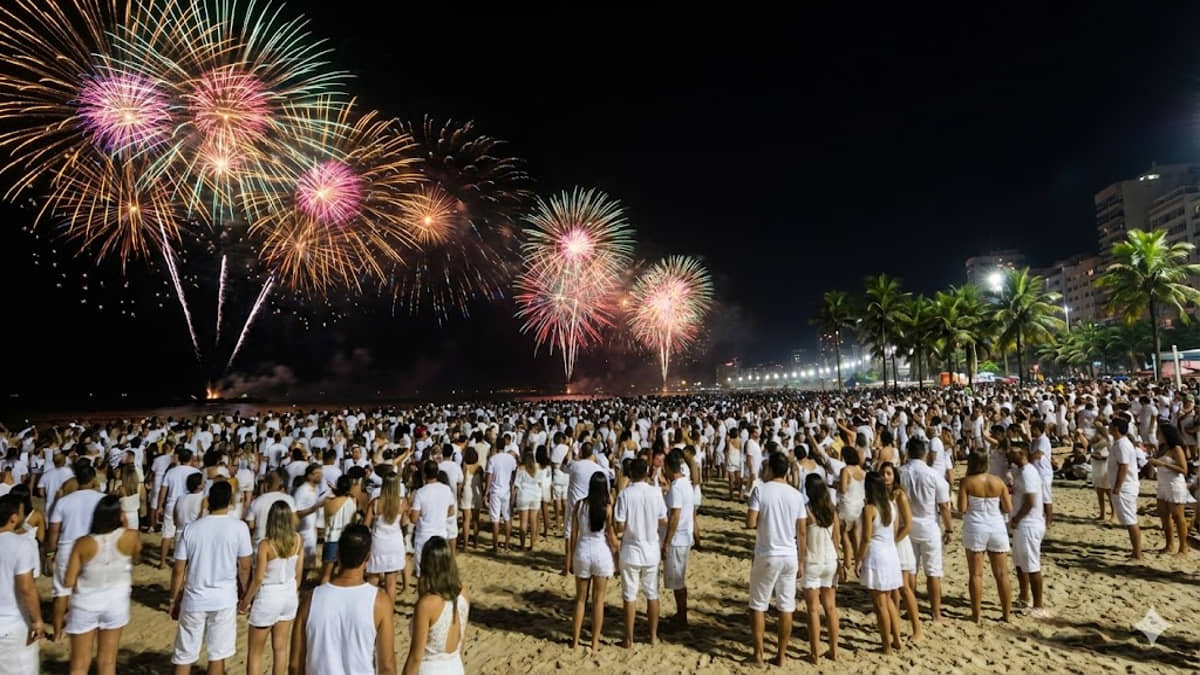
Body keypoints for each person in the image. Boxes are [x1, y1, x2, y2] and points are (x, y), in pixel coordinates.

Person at [169, 481, 252, 675]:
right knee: (217, 656)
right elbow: (245, 567)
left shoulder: (191, 529)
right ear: (230, 501)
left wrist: (174, 599)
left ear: (208, 501)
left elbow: (179, 570)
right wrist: (246, 594)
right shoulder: (239, 528)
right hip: (224, 599)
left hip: (194, 597)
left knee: (184, 655)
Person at [291, 524, 396, 675]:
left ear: (338, 554)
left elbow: (295, 665)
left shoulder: (310, 600)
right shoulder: (379, 602)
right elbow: (387, 666)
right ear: (368, 557)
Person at [62, 494, 140, 675]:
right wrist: (125, 524)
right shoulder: (131, 537)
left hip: (86, 603)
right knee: (107, 662)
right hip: (116, 603)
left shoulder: (83, 543)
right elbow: (136, 556)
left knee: (79, 665)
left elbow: (69, 580)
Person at [745, 452, 806, 668]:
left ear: (769, 468)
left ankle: (759, 654)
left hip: (767, 552)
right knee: (786, 606)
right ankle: (781, 654)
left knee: (758, 605)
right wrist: (802, 561)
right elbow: (802, 531)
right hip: (790, 553)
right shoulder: (796, 495)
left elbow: (751, 523)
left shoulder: (760, 490)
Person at [239, 500, 302, 675]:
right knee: (280, 649)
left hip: (269, 595)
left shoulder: (266, 545)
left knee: (255, 653)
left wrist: (246, 600)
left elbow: (258, 579)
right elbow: (298, 575)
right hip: (289, 593)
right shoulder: (298, 540)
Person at [48, 462, 105, 642]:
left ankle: (57, 633)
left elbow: (54, 531)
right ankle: (88, 628)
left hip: (67, 548)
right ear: (93, 479)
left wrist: (50, 553)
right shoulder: (101, 499)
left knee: (61, 592)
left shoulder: (63, 502)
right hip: (93, 548)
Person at [613, 457, 667, 647]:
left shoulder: (625, 495)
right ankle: (652, 636)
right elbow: (663, 520)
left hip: (631, 549)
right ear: (646, 473)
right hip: (651, 549)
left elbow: (619, 526)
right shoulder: (655, 493)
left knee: (629, 596)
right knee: (652, 594)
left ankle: (629, 638)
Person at [898, 438, 951, 623]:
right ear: (925, 453)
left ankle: (910, 609)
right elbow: (944, 505)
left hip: (907, 525)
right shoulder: (933, 474)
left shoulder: (900, 473)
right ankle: (936, 613)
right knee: (933, 572)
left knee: (910, 570)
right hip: (929, 524)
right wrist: (949, 528)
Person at [957, 450, 1013, 623]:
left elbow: (962, 508)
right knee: (1002, 574)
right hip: (996, 526)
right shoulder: (998, 482)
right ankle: (1006, 613)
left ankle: (976, 615)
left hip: (976, 526)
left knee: (976, 574)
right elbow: (1008, 508)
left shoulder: (967, 482)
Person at [402, 536, 470, 674]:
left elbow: (415, 657)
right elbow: (462, 641)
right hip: (455, 665)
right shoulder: (463, 593)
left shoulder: (427, 605)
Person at [568, 471, 617, 652]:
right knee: (599, 601)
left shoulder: (580, 505)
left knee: (580, 600)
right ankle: (595, 642)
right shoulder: (607, 507)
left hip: (582, 550)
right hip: (600, 552)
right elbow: (610, 536)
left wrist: (570, 557)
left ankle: (575, 641)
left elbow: (574, 534)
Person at [857, 471, 903, 654]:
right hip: (890, 553)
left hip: (877, 555)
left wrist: (858, 560)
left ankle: (886, 645)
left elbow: (866, 538)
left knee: (880, 604)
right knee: (889, 601)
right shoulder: (890, 505)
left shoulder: (869, 509)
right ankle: (897, 639)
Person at [0, 494, 43, 674]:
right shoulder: (22, 545)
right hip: (13, 626)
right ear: (13, 518)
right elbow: (26, 588)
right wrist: (37, 620)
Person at [801, 474, 840, 665]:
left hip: (813, 560)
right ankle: (834, 650)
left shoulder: (806, 511)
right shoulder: (832, 511)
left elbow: (801, 538)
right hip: (830, 560)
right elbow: (837, 539)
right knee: (831, 608)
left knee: (813, 610)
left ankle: (815, 653)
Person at [1008, 441, 1048, 618]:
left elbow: (1031, 501)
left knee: (1032, 565)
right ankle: (1024, 596)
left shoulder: (1029, 473)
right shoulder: (1020, 471)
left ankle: (1038, 605)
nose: (1010, 454)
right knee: (1019, 563)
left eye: (1013, 452)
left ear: (1022, 453)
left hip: (1029, 523)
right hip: (1020, 524)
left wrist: (1017, 518)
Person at [1148, 423, 1194, 556]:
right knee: (1164, 515)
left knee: (1178, 516)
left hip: (1174, 485)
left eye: (1160, 432)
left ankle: (1183, 547)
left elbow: (1183, 469)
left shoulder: (1176, 449)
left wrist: (1163, 464)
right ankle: (1169, 545)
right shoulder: (1162, 448)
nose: (1158, 434)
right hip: (1162, 484)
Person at [661, 450, 694, 629]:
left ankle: (682, 617)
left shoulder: (676, 487)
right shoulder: (685, 484)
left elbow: (674, 515)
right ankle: (681, 614)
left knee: (677, 580)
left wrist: (666, 542)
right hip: (684, 535)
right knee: (677, 580)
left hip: (678, 538)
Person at [366, 472, 409, 603]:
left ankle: (370, 609)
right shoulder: (402, 503)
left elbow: (365, 525)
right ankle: (388, 613)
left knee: (373, 580)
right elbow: (404, 523)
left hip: (378, 543)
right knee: (391, 583)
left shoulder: (376, 502)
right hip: (395, 543)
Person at [410, 460, 455, 578]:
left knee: (422, 573)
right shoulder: (446, 489)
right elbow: (451, 511)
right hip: (440, 533)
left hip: (424, 535)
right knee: (439, 569)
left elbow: (414, 519)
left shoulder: (420, 493)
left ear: (424, 474)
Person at [158, 449, 199, 569]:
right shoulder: (195, 471)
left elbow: (163, 490)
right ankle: (186, 560)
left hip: (171, 503)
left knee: (167, 533)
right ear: (191, 459)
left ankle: (162, 561)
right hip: (188, 503)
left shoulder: (171, 472)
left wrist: (160, 505)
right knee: (188, 532)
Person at [1108, 418, 1142, 560]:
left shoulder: (1122, 444)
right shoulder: (1119, 443)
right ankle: (1136, 551)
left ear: (1116, 428)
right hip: (1124, 486)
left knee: (1130, 520)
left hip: (1125, 487)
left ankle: (1137, 553)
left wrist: (1117, 487)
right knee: (1128, 520)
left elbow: (1124, 466)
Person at [321, 475, 357, 584]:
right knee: (340, 573)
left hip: (329, 538)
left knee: (326, 573)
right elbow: (351, 522)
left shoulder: (328, 501)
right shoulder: (350, 502)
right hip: (343, 539)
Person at [836, 446, 865, 580]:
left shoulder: (845, 470)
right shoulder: (862, 471)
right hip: (859, 506)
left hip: (847, 505)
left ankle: (847, 563)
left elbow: (843, 489)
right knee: (857, 537)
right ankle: (859, 564)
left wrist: (834, 485)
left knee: (844, 535)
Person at [484, 445, 517, 552]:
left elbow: (489, 476)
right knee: (507, 518)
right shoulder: (511, 459)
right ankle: (507, 544)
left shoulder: (493, 459)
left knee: (495, 519)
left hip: (495, 491)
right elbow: (513, 473)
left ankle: (495, 545)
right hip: (506, 491)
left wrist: (486, 491)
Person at [513, 448, 543, 551]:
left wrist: (512, 498)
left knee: (523, 521)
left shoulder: (521, 468)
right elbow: (540, 483)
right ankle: (532, 544)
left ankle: (522, 545)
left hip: (524, 495)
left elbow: (516, 485)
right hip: (535, 495)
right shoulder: (538, 468)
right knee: (533, 521)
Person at [458, 447, 483, 550]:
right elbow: (482, 483)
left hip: (467, 492)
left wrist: (459, 494)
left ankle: (465, 544)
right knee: (476, 519)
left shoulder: (465, 467)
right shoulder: (479, 468)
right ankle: (476, 543)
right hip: (477, 493)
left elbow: (462, 482)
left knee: (466, 520)